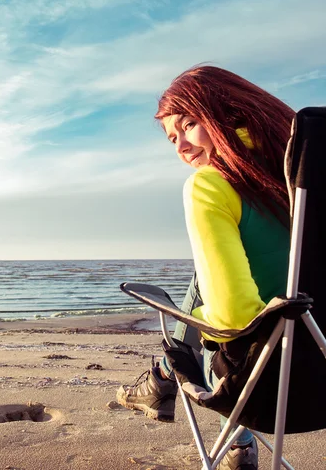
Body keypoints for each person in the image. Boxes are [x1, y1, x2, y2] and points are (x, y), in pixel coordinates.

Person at [116, 65, 293, 470]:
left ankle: (167, 378)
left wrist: (193, 315)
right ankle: (166, 384)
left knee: (212, 307)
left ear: (229, 113)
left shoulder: (211, 184)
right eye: (172, 138)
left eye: (189, 124)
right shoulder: (309, 178)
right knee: (215, 270)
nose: (180, 146)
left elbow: (232, 319)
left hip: (269, 387)